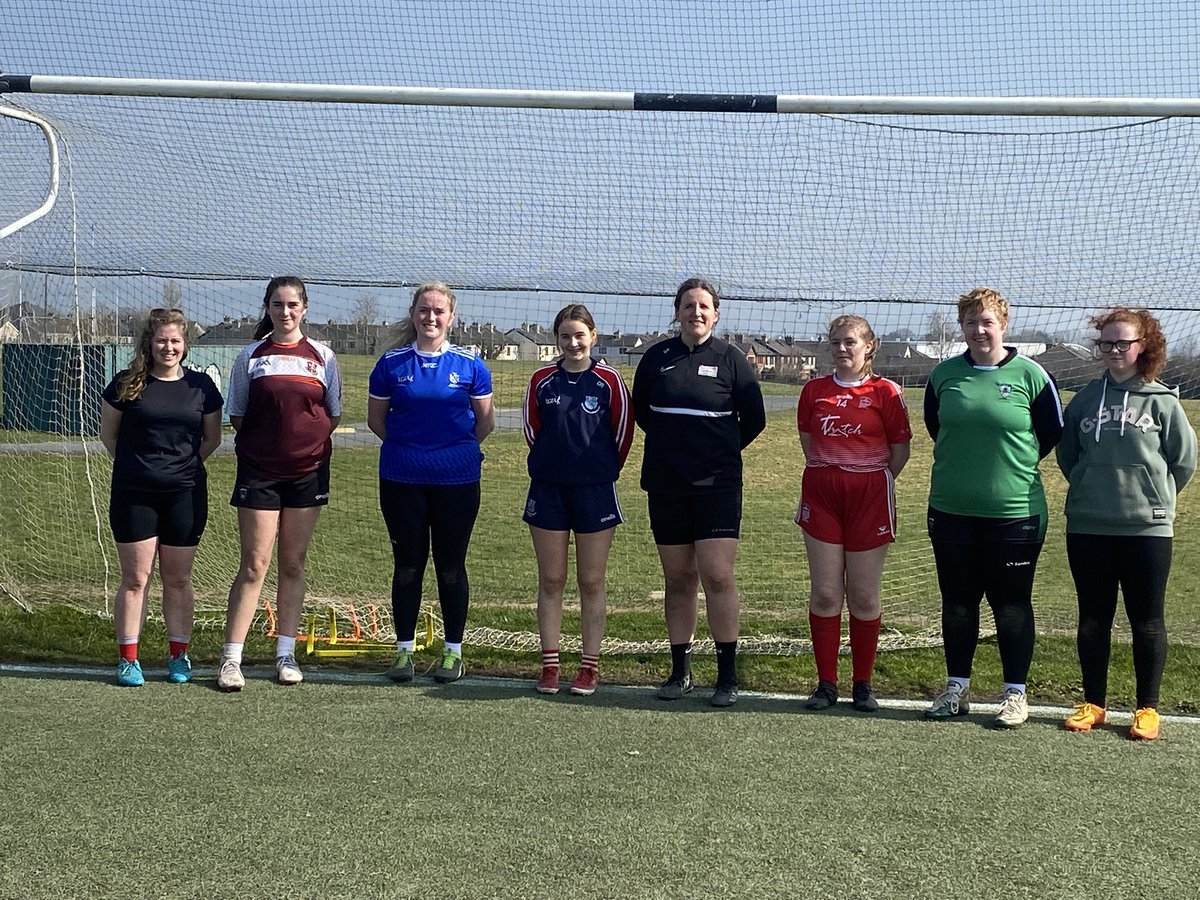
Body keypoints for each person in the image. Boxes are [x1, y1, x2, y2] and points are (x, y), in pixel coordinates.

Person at [923, 287, 1063, 728]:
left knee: (1011, 603)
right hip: (951, 510)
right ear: (960, 327)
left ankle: (1015, 695)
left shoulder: (1032, 375)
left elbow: (1051, 432)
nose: (979, 330)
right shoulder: (943, 375)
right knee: (959, 603)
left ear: (1003, 324)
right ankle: (956, 688)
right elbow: (936, 427)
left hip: (1015, 513)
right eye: (970, 322)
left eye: (987, 321)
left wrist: (1009, 465)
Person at [1057, 308, 1196, 741]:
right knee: (1093, 619)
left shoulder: (1163, 402)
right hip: (1089, 526)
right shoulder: (1083, 398)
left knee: (1147, 620)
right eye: (1106, 343)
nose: (1114, 350)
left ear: (1144, 347)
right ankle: (1094, 703)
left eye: (1123, 343)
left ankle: (1147, 708)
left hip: (1146, 530)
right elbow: (1068, 456)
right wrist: (1090, 488)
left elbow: (1183, 462)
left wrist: (1153, 498)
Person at [632, 277, 766, 707]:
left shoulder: (731, 360)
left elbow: (755, 420)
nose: (696, 312)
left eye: (704, 306)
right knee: (679, 578)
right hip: (667, 485)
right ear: (677, 312)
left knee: (718, 575)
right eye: (688, 305)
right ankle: (680, 671)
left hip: (717, 486)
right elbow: (643, 414)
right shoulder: (656, 358)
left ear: (716, 313)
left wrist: (717, 451)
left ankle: (727, 676)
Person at [217, 276, 342, 691]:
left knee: (292, 564)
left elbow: (332, 412)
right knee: (255, 565)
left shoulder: (323, 355)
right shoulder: (251, 356)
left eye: (292, 304)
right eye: (277, 304)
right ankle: (231, 659)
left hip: (308, 473)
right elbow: (237, 413)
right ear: (267, 308)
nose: (284, 312)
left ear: (304, 308)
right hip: (260, 472)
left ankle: (285, 654)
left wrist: (303, 445)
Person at [368, 282, 494, 685]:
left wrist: (450, 452)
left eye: (439, 311)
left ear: (451, 317)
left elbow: (485, 422)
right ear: (413, 313)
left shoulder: (471, 365)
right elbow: (376, 421)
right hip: (401, 478)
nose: (431, 318)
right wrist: (412, 449)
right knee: (407, 566)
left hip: (457, 480)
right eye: (424, 310)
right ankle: (404, 652)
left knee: (451, 567)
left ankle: (453, 653)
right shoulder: (391, 364)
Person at [100, 308, 223, 686]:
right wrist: (143, 468)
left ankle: (179, 656)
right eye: (160, 341)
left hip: (184, 495)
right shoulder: (125, 384)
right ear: (149, 345)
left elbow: (212, 439)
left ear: (184, 345)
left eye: (175, 341)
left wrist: (180, 468)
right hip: (134, 494)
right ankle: (128, 659)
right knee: (136, 578)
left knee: (178, 578)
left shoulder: (202, 387)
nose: (168, 347)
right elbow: (110, 438)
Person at [796, 315, 911, 713]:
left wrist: (865, 476)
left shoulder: (887, 392)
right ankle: (826, 684)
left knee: (863, 595)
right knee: (826, 593)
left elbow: (899, 453)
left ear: (869, 346)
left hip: (870, 499)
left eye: (850, 342)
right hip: (823, 497)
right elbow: (809, 444)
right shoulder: (813, 391)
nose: (842, 349)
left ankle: (862, 683)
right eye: (835, 343)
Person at [523, 304, 634, 696]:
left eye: (579, 335)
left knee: (591, 581)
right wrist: (557, 466)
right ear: (557, 339)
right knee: (551, 579)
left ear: (593, 335)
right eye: (565, 336)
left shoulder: (609, 381)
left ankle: (589, 666)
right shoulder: (541, 380)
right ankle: (550, 664)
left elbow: (622, 435)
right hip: (548, 491)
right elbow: (533, 433)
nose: (573, 343)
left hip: (595, 491)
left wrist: (597, 470)